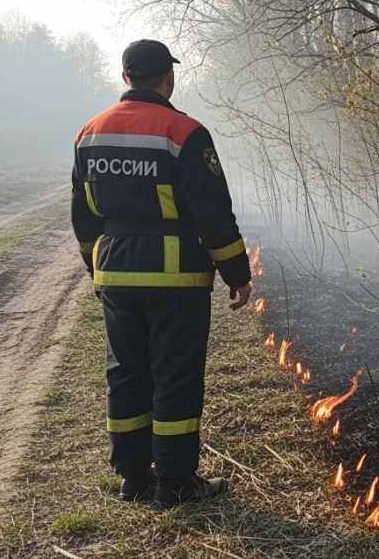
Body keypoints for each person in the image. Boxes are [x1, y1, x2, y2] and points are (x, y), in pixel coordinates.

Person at [70, 39, 253, 508]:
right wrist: (236, 270)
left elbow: (83, 215)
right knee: (175, 377)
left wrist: (96, 264)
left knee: (126, 374)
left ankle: (132, 476)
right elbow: (212, 212)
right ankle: (174, 483)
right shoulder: (186, 133)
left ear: (126, 77)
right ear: (168, 78)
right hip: (176, 280)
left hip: (114, 275)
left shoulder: (90, 133)